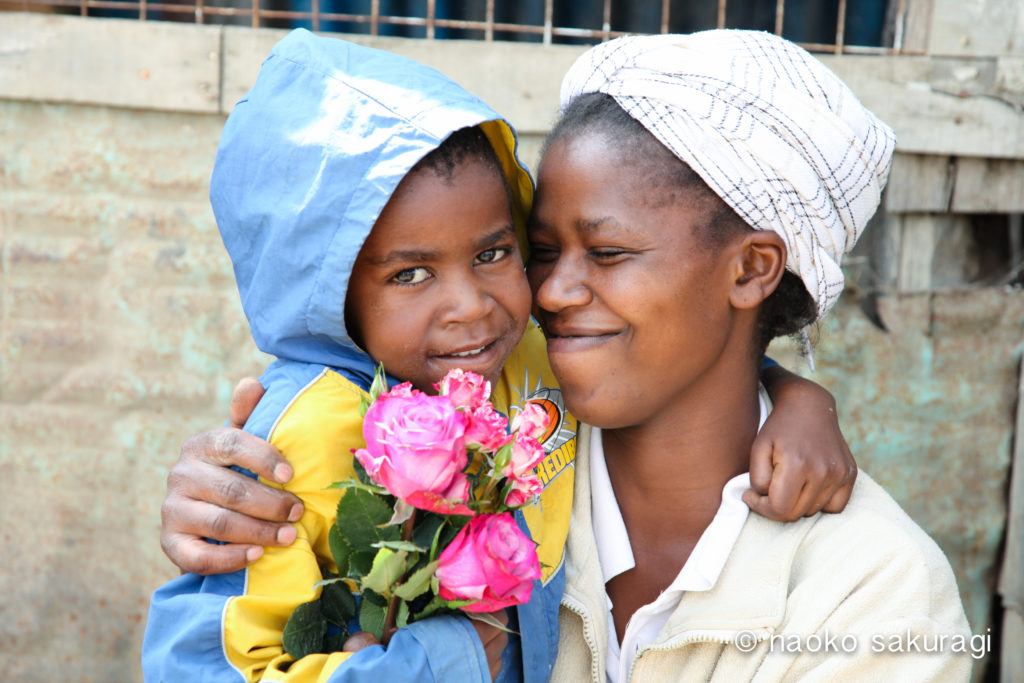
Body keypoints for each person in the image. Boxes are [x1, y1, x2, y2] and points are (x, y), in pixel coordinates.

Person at [145, 28, 858, 683]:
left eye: (494, 252)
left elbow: (693, 355)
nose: (472, 305)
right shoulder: (298, 442)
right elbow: (202, 663)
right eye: (410, 274)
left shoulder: (524, 365)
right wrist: (436, 662)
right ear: (330, 291)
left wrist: (796, 399)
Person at [525, 32, 971, 680]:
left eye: (609, 253)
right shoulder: (488, 471)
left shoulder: (876, 593)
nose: (550, 290)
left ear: (751, 268)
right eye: (542, 250)